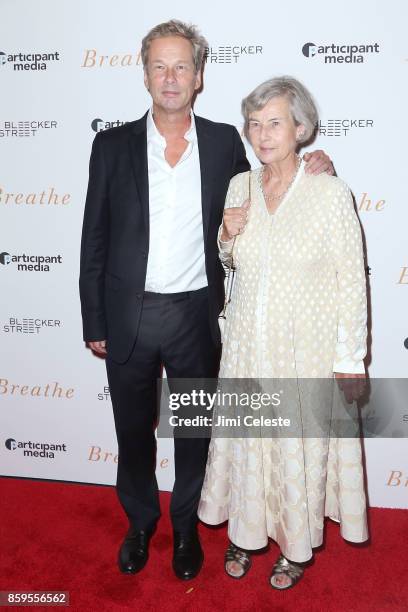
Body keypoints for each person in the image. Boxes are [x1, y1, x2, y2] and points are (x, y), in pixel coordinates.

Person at [79, 20, 333, 581]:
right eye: (160, 66)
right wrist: (93, 317)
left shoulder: (222, 142)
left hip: (196, 316)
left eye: (182, 67)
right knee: (132, 430)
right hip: (129, 315)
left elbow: (269, 189)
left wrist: (317, 167)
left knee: (196, 430)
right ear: (145, 73)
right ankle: (141, 522)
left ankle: (188, 527)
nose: (171, 78)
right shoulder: (112, 145)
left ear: (198, 77)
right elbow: (93, 236)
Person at [198, 76, 368, 589]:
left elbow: (352, 279)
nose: (263, 133)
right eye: (254, 123)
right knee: (251, 444)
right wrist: (226, 235)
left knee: (294, 445)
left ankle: (295, 546)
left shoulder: (330, 191)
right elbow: (233, 262)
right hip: (248, 347)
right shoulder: (240, 185)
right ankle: (245, 532)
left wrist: (350, 357)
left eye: (275, 122)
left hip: (305, 352)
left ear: (300, 128)